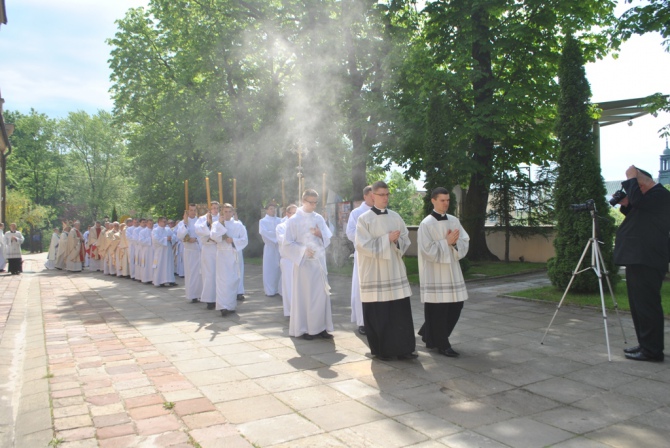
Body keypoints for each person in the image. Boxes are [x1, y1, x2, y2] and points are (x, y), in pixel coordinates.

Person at [614, 165, 670, 362]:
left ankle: (652, 351)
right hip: (638, 258)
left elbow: (642, 204)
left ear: (642, 182)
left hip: (648, 258)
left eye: (634, 185)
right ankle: (646, 344)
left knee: (647, 305)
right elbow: (639, 216)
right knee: (638, 306)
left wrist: (630, 177)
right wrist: (627, 202)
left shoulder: (661, 195)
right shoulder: (650, 199)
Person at [355, 180, 416, 361]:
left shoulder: (396, 217)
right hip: (375, 271)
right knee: (379, 312)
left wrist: (396, 241)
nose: (385, 198)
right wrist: (386, 239)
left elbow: (406, 239)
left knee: (399, 311)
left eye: (387, 194)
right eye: (382, 195)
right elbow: (362, 245)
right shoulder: (364, 219)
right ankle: (383, 350)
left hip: (394, 270)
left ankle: (404, 348)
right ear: (373, 196)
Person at [417, 187, 470, 357]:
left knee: (456, 304)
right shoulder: (426, 224)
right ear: (433, 200)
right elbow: (426, 250)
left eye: (448, 200)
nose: (446, 203)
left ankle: (429, 333)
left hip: (452, 271)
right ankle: (442, 343)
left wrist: (454, 244)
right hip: (435, 272)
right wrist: (445, 242)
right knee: (439, 308)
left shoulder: (454, 221)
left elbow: (464, 240)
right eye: (442, 200)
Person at [283, 190, 334, 340]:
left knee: (321, 295)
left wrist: (320, 234)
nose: (313, 205)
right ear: (303, 201)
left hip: (318, 262)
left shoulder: (318, 218)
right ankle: (305, 328)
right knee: (306, 296)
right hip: (304, 264)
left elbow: (328, 237)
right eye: (310, 202)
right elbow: (286, 245)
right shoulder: (293, 220)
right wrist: (303, 251)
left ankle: (322, 327)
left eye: (315, 202)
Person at [209, 203, 248, 316]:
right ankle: (222, 306)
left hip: (233, 254)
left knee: (232, 280)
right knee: (222, 281)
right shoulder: (217, 224)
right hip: (222, 254)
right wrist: (221, 226)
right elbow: (214, 236)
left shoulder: (238, 225)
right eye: (225, 211)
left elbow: (244, 239)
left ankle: (230, 305)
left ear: (233, 212)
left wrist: (234, 240)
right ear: (222, 212)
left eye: (229, 211)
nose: (227, 214)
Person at [346, 185, 373, 335]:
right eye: (372, 196)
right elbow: (350, 233)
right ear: (365, 196)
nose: (375, 198)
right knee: (361, 287)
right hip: (363, 254)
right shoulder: (356, 213)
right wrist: (367, 239)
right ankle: (363, 321)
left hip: (379, 255)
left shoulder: (382, 212)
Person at [195, 201, 220, 310]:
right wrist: (207, 224)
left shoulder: (221, 218)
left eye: (217, 208)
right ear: (209, 209)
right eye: (213, 208)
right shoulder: (202, 219)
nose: (215, 210)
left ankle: (220, 297)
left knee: (220, 273)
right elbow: (198, 230)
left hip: (219, 249)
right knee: (209, 274)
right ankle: (210, 299)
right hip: (208, 249)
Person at [177, 204, 203, 303]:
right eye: (191, 210)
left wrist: (196, 239)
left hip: (199, 249)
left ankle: (200, 293)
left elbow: (204, 234)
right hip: (189, 251)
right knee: (191, 273)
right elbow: (180, 235)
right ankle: (192, 294)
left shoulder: (200, 221)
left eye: (194, 210)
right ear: (187, 212)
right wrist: (185, 223)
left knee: (200, 273)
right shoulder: (183, 222)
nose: (193, 212)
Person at [276, 204, 297, 317]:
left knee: (299, 287)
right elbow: (284, 241)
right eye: (292, 213)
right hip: (288, 260)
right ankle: (290, 311)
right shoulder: (281, 227)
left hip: (299, 260)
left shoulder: (300, 225)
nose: (294, 215)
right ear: (287, 214)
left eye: (296, 213)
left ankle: (299, 310)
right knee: (289, 286)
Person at [259, 203, 282, 296]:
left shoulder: (280, 220)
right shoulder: (263, 221)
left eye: (274, 208)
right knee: (269, 268)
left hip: (279, 247)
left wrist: (278, 238)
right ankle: (269, 290)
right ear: (267, 210)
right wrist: (276, 237)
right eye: (271, 208)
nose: (273, 210)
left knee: (279, 268)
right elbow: (263, 232)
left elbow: (282, 230)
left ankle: (279, 289)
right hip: (269, 246)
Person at [152, 216, 177, 287]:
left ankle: (170, 280)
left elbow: (174, 236)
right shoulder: (155, 230)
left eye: (166, 221)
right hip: (160, 250)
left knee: (169, 264)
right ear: (159, 222)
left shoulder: (168, 229)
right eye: (163, 221)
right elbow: (155, 239)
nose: (165, 223)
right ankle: (160, 281)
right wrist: (166, 239)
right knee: (160, 264)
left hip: (168, 249)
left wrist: (171, 238)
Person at [234, 210, 247, 301]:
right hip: (225, 252)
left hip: (237, 250)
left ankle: (239, 291)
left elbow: (244, 238)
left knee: (239, 271)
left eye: (234, 213)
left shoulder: (239, 224)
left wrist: (235, 242)